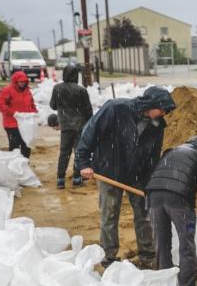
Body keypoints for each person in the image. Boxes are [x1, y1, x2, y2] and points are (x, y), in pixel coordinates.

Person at [75, 86, 176, 268]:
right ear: (150, 104)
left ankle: (148, 256)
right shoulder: (116, 109)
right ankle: (109, 258)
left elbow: (153, 156)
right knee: (109, 214)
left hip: (137, 176)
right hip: (109, 171)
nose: (163, 114)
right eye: (161, 109)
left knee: (144, 216)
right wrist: (83, 163)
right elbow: (90, 132)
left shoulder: (157, 126)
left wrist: (150, 183)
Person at [145, 135, 197, 286]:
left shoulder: (171, 151)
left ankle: (166, 285)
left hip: (153, 195)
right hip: (179, 200)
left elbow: (158, 173)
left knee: (161, 242)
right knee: (186, 242)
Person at [49, 64, 93, 189]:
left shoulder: (57, 89)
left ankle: (60, 179)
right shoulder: (81, 90)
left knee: (64, 153)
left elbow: (53, 105)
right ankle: (77, 178)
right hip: (80, 126)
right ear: (76, 75)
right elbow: (88, 110)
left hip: (65, 126)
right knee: (79, 152)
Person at [0, 71, 37, 158]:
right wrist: (14, 113)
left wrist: (34, 112)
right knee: (14, 146)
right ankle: (13, 165)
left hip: (25, 124)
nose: (22, 83)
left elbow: (31, 103)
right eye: (20, 82)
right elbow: (1, 105)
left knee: (26, 144)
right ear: (15, 81)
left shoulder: (27, 91)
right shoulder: (7, 90)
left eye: (24, 82)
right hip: (12, 124)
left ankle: (25, 164)